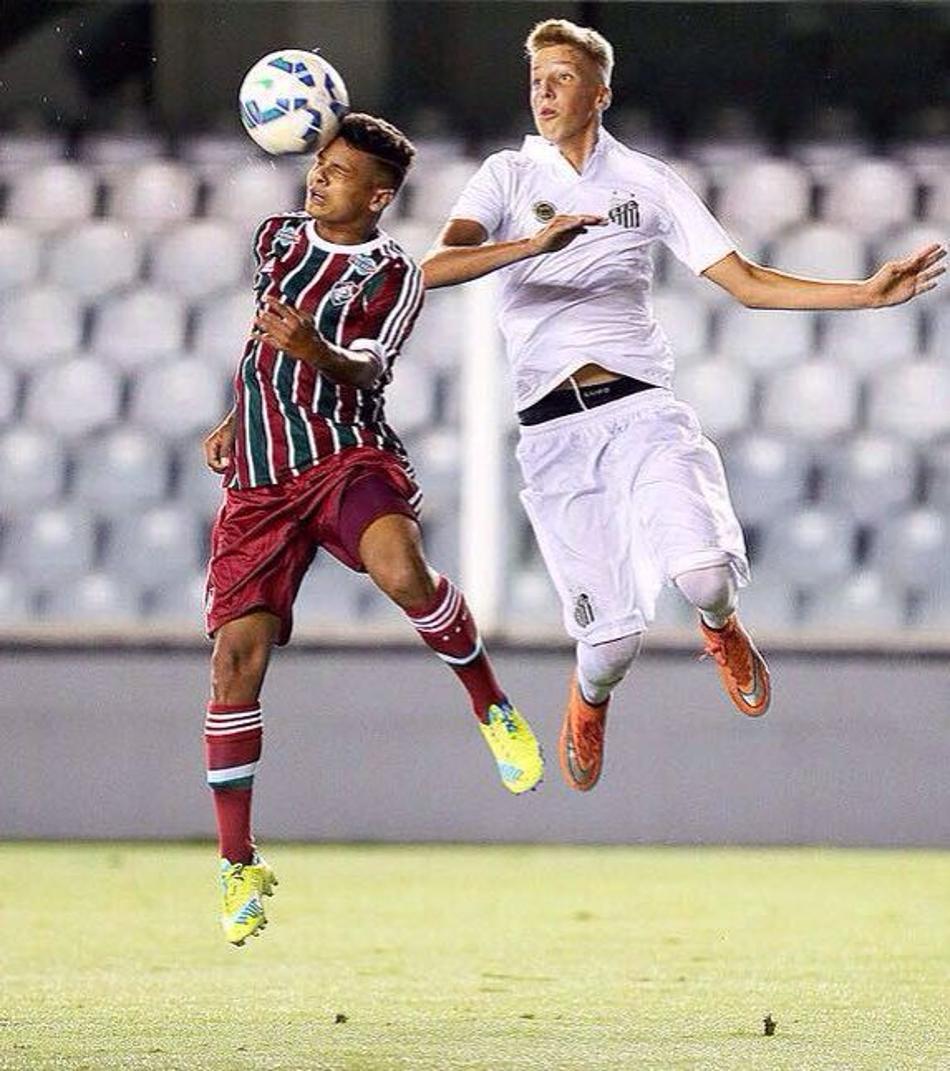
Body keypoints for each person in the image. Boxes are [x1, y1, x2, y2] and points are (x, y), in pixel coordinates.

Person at [421, 19, 946, 793]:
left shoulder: (648, 183)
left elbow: (745, 281)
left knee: (702, 575)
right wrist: (533, 247)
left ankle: (721, 627)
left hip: (641, 412)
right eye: (536, 79)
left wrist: (864, 294)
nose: (543, 92)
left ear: (600, 92)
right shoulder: (504, 178)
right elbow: (435, 267)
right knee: (610, 649)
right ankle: (589, 695)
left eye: (561, 77)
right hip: (555, 437)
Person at [201, 113, 544, 947]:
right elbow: (262, 348)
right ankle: (237, 864)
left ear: (378, 195)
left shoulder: (394, 274)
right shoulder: (276, 238)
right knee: (233, 662)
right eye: (320, 161)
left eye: (340, 170)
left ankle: (490, 703)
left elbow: (365, 367)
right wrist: (234, 414)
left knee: (402, 571)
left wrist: (316, 347)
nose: (319, 176)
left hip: (346, 457)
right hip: (259, 478)